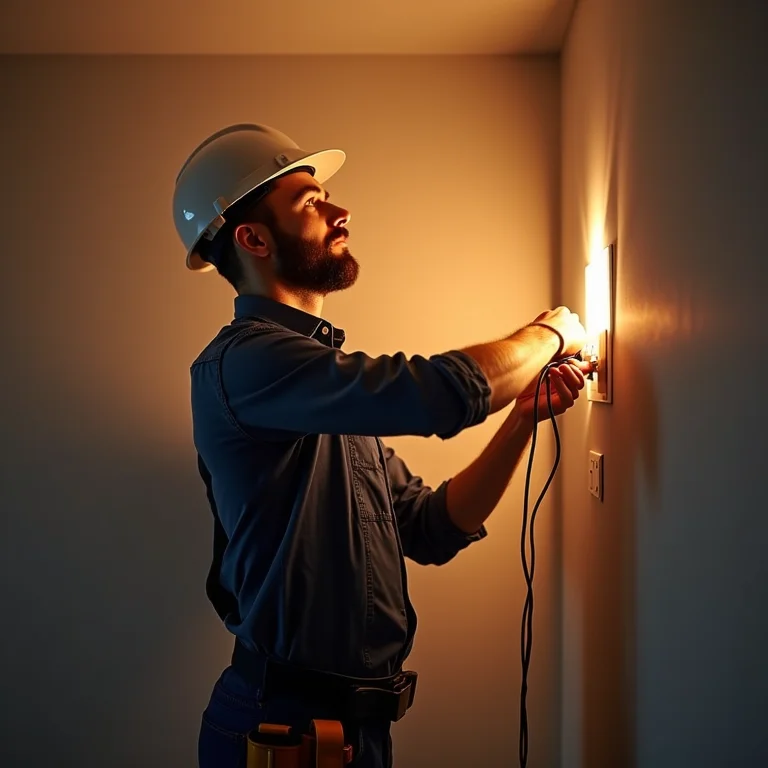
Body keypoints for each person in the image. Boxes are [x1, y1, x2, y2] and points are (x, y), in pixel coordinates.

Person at [172, 124, 589, 768]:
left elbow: (431, 528)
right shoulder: (247, 364)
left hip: (349, 732)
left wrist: (520, 420)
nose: (341, 211)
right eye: (310, 201)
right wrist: (550, 333)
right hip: (282, 735)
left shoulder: (320, 388)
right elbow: (440, 394)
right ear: (253, 238)